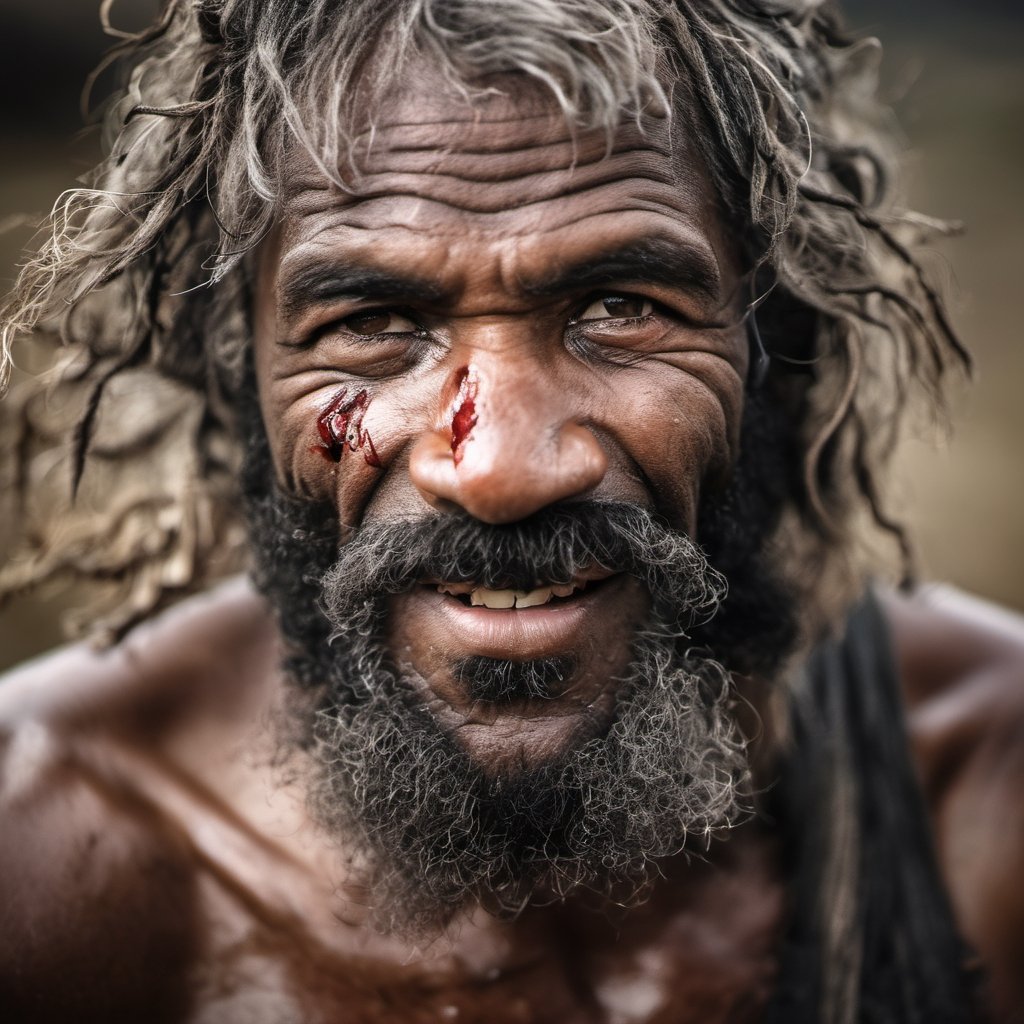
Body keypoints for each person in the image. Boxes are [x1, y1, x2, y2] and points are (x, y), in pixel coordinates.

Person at [0, 0, 1021, 1021]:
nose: (496, 469)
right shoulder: (45, 861)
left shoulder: (985, 785)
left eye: (621, 307)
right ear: (240, 367)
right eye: (375, 321)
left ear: (773, 341)